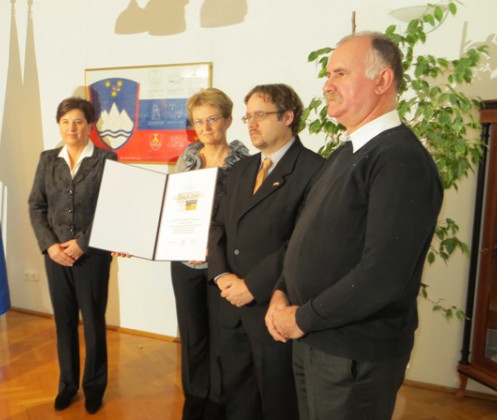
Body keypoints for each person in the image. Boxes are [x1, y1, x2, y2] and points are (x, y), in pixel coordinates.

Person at [266, 33, 443, 420]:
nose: (327, 84)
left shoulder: (400, 160)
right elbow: (305, 237)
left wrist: (299, 318)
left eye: (341, 73)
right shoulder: (347, 152)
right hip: (314, 337)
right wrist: (280, 293)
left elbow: (383, 274)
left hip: (353, 352)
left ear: (382, 81)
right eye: (328, 74)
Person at [207, 84, 324, 420]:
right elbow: (218, 228)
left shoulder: (315, 171)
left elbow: (302, 243)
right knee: (238, 397)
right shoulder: (241, 169)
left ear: (288, 117)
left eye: (260, 115)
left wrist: (252, 286)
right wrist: (222, 275)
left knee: (278, 402)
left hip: (272, 307)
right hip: (230, 303)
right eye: (248, 116)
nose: (251, 123)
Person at [28, 97, 118, 414]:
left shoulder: (107, 159)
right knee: (64, 323)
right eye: (66, 122)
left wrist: (83, 242)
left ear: (91, 126)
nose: (72, 128)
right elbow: (36, 206)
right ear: (59, 125)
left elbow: (112, 208)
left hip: (91, 256)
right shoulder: (47, 159)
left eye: (78, 121)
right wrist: (50, 246)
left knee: (93, 322)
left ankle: (94, 387)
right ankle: (67, 385)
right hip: (56, 257)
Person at [171, 88, 249, 420]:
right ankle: (195, 396)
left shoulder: (245, 161)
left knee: (223, 334)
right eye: (199, 121)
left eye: (212, 119)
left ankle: (218, 401)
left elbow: (246, 216)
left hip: (224, 263)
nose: (205, 126)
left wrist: (213, 245)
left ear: (228, 120)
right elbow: (174, 209)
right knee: (191, 333)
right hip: (185, 261)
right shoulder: (187, 158)